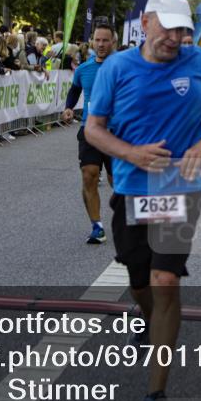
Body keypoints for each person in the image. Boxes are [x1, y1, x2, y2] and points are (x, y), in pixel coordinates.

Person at [83, 0, 201, 401]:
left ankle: (156, 395)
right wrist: (130, 154)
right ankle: (150, 319)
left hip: (181, 190)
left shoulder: (199, 63)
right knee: (140, 281)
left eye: (183, 30)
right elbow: (94, 130)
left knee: (165, 279)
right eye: (169, 28)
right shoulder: (116, 68)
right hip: (132, 188)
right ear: (147, 22)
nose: (176, 38)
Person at [62, 21, 116, 244]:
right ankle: (97, 226)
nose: (101, 44)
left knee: (119, 183)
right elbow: (75, 90)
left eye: (105, 40)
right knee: (89, 175)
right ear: (92, 41)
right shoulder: (84, 69)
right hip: (90, 130)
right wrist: (68, 107)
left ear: (113, 42)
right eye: (97, 40)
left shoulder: (125, 66)